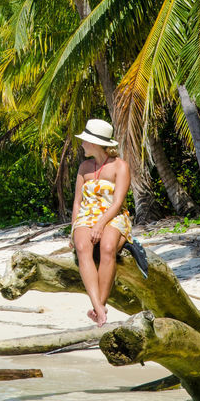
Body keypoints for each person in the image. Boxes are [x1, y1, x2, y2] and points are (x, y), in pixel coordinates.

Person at [69, 118, 132, 327]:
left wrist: (99, 225)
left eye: (85, 141)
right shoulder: (84, 167)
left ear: (95, 143)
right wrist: (74, 229)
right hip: (86, 215)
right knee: (82, 246)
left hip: (112, 215)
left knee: (107, 248)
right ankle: (98, 306)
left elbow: (118, 202)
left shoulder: (120, 166)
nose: (82, 144)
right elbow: (77, 203)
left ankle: (100, 306)